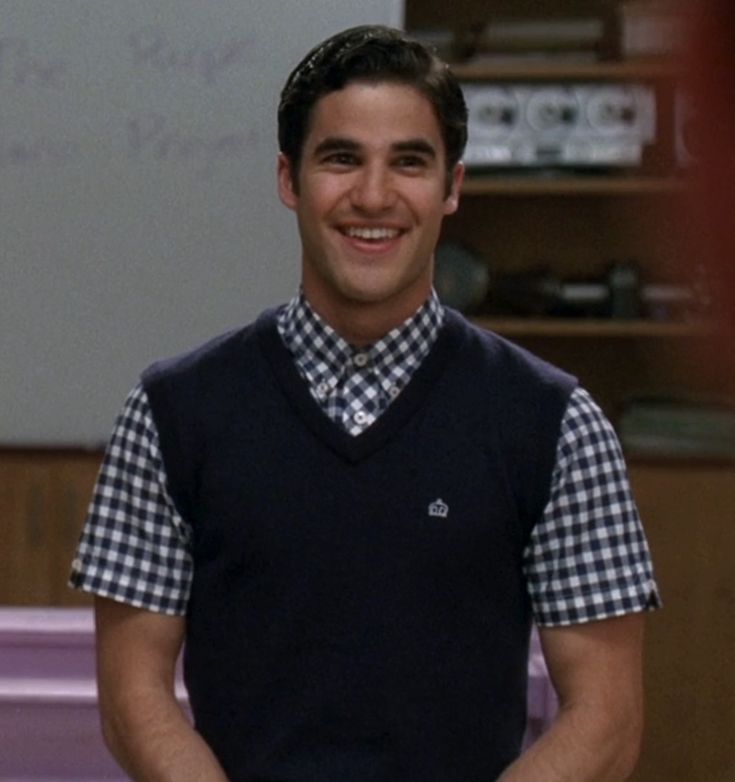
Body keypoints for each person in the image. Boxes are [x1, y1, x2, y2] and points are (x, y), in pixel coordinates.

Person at [70, 25, 659, 781]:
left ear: (451, 187)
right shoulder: (170, 414)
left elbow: (604, 719)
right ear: (289, 180)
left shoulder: (555, 424)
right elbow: (132, 694)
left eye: (408, 162)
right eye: (340, 158)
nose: (373, 196)